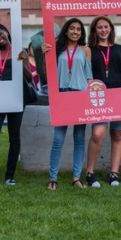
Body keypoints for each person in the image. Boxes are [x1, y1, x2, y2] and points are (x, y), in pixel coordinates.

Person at [42, 18, 91, 190]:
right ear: (66, 30)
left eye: (78, 29)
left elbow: (89, 76)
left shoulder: (85, 50)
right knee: (58, 138)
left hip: (80, 95)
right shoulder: (57, 49)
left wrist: (90, 98)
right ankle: (53, 178)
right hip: (62, 94)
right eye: (72, 28)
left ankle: (76, 177)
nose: (75, 32)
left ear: (81, 33)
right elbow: (48, 71)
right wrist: (44, 55)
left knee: (79, 138)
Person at [85, 16, 121, 187]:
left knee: (117, 134)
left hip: (119, 94)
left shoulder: (119, 49)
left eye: (106, 27)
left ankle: (114, 173)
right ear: (94, 30)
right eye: (100, 27)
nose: (103, 30)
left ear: (111, 28)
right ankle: (90, 173)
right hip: (99, 97)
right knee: (98, 134)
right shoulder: (89, 50)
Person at [0, 24, 32, 187]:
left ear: (6, 32)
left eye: (0, 33)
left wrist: (23, 61)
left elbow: (29, 78)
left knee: (14, 136)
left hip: (16, 98)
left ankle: (9, 176)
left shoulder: (19, 51)